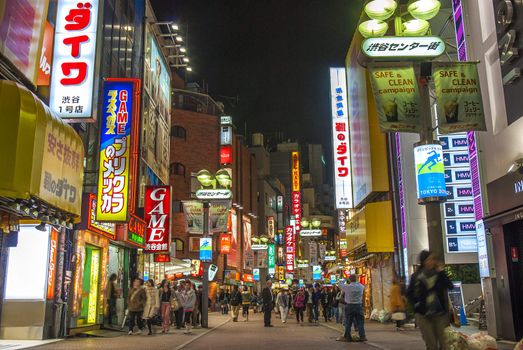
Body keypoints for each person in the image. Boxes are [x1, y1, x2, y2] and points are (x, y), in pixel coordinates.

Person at [407, 251, 454, 350]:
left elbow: (450, 286)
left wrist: (441, 271)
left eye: (433, 259)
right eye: (429, 259)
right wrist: (416, 305)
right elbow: (409, 293)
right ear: (423, 261)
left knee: (444, 343)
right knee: (431, 344)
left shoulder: (439, 274)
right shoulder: (416, 276)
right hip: (423, 315)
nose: (432, 262)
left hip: (440, 313)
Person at [337, 275, 367, 342]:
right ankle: (362, 336)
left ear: (349, 280)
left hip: (350, 306)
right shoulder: (361, 286)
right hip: (358, 306)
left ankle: (348, 337)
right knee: (360, 322)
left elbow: (339, 284)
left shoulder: (347, 287)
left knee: (348, 322)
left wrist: (344, 279)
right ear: (356, 279)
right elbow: (363, 285)